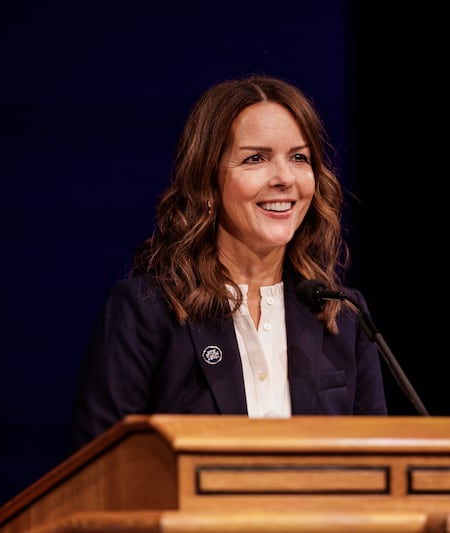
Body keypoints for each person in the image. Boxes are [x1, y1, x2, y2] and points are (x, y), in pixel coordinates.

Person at [69, 75, 388, 451]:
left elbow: (376, 469)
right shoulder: (147, 313)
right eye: (256, 158)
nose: (285, 178)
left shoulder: (342, 315)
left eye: (299, 158)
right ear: (208, 182)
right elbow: (101, 473)